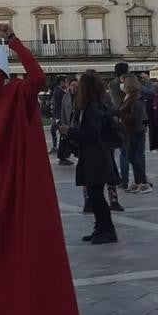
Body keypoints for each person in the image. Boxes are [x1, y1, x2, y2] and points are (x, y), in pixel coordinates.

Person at [0, 22, 81, 315]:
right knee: (6, 268)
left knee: (32, 261)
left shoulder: (18, 93)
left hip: (27, 192)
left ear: (0, 71)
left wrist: (13, 41)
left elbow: (38, 78)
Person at [61, 72, 119, 244]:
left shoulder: (93, 108)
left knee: (97, 196)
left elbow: (92, 134)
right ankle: (100, 228)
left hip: (96, 157)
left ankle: (107, 231)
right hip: (95, 155)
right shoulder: (95, 105)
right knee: (95, 195)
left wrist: (69, 131)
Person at [117, 74, 152, 194]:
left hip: (135, 131)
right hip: (128, 131)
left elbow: (135, 117)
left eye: (123, 82)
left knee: (134, 157)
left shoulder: (135, 98)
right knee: (132, 157)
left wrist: (121, 114)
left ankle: (143, 182)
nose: (121, 84)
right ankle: (138, 182)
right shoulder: (127, 97)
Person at [57, 77, 77, 166]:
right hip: (67, 121)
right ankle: (62, 157)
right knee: (64, 139)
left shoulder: (80, 96)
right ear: (69, 86)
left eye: (76, 86)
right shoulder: (66, 96)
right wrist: (62, 121)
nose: (74, 87)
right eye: (73, 85)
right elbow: (63, 109)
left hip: (75, 123)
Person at [49, 75, 67, 154]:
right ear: (61, 82)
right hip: (59, 115)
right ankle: (58, 148)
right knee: (59, 131)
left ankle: (56, 147)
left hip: (57, 114)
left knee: (55, 130)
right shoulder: (60, 92)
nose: (66, 83)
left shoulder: (58, 91)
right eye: (65, 82)